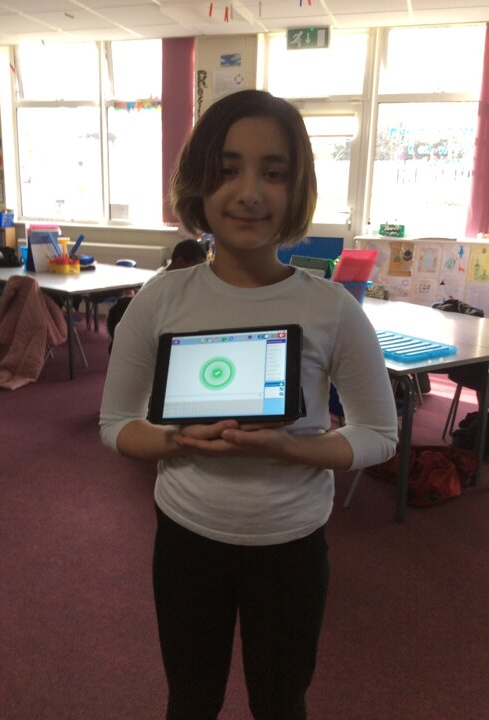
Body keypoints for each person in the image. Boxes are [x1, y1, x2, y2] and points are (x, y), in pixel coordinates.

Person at [99, 89, 398, 720]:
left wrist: (297, 449)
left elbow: (379, 432)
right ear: (200, 182)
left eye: (274, 173)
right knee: (191, 699)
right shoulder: (160, 299)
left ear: (297, 188)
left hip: (291, 544)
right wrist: (176, 439)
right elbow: (116, 424)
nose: (250, 193)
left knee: (281, 701)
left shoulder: (331, 308)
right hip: (186, 537)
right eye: (228, 169)